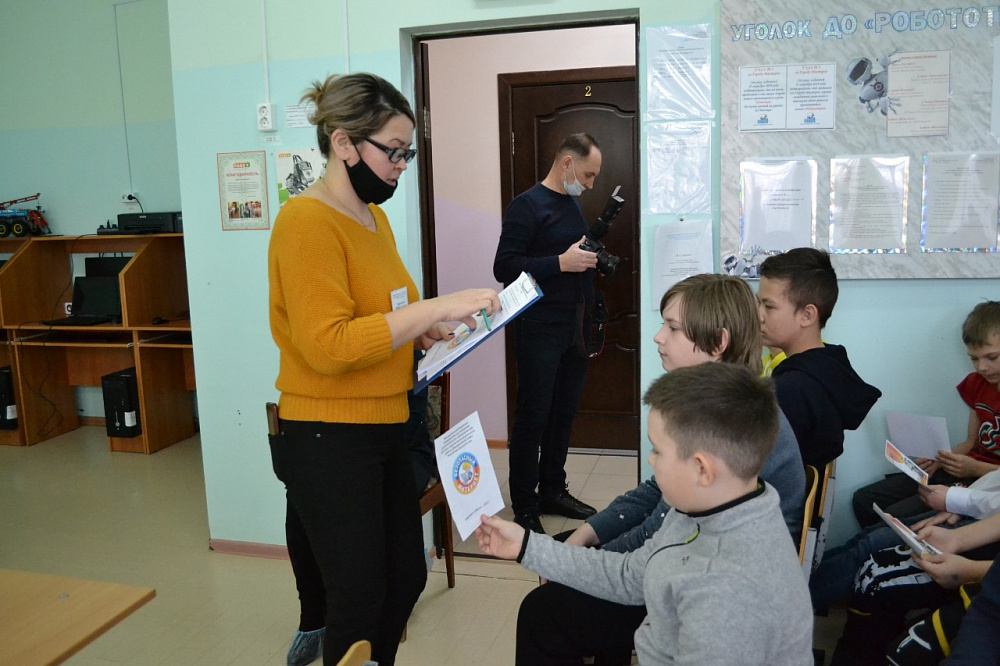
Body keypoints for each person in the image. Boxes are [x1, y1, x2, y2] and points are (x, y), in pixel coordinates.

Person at [267, 72, 500, 666]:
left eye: (407, 154)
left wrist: (425, 333)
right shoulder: (305, 222)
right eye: (393, 151)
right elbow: (329, 346)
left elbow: (382, 314)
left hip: (389, 422)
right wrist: (433, 308)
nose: (400, 166)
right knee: (358, 597)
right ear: (343, 143)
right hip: (329, 434)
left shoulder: (375, 219)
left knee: (404, 576)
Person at [514, 274, 806, 665]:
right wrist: (586, 534)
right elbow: (657, 501)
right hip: (686, 559)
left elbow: (658, 535)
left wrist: (579, 564)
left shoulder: (730, 428)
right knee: (571, 546)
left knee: (542, 610)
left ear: (718, 343)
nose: (658, 337)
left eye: (672, 328)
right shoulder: (720, 406)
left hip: (697, 571)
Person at [475, 363, 814, 665]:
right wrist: (527, 546)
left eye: (658, 451)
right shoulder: (709, 506)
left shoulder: (726, 593)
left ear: (702, 469)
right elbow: (631, 575)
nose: (651, 461)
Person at [493, 133, 603, 534]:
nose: (590, 184)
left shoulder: (570, 204)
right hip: (539, 328)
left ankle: (553, 490)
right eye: (588, 175)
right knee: (533, 417)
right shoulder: (526, 206)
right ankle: (525, 505)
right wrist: (560, 263)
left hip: (574, 327)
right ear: (567, 163)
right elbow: (505, 267)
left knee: (563, 414)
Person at [852, 300, 1000, 528]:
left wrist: (975, 468)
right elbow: (971, 443)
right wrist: (940, 460)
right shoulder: (976, 384)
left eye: (992, 357)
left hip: (986, 483)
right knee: (864, 500)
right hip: (964, 470)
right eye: (974, 358)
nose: (981, 367)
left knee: (893, 517)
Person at [757, 247, 882, 470]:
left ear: (807, 315)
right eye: (759, 303)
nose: (759, 315)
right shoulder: (828, 367)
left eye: (769, 306)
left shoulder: (792, 389)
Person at [831, 504, 1000, 664]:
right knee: (872, 574)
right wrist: (957, 538)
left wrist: (970, 571)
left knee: (907, 653)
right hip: (990, 570)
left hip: (987, 588)